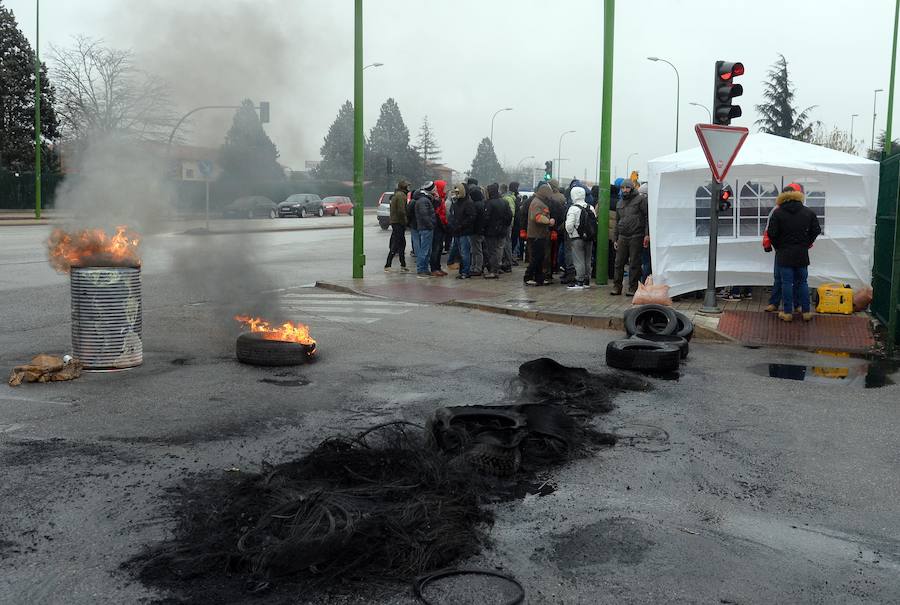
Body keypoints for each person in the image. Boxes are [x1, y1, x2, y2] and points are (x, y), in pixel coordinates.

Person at [767, 183, 821, 321]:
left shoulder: (778, 213)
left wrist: (778, 246)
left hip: (784, 253)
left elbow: (771, 233)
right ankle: (806, 311)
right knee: (803, 282)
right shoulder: (808, 212)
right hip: (802, 253)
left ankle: (787, 312)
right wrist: (807, 242)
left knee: (786, 283)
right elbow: (816, 230)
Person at [611, 179, 648, 296]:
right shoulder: (619, 203)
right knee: (618, 263)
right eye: (622, 188)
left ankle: (633, 288)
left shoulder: (640, 200)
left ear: (632, 188)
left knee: (634, 263)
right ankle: (617, 287)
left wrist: (647, 234)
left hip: (636, 235)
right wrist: (615, 238)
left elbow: (647, 217)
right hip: (622, 236)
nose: (624, 190)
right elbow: (617, 222)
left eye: (627, 188)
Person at [564, 185, 596, 290]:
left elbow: (569, 225)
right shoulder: (590, 207)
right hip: (589, 237)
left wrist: (571, 233)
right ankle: (587, 280)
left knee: (578, 260)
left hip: (577, 238)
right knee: (587, 259)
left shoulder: (573, 208)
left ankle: (579, 281)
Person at [524, 183, 556, 286]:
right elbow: (537, 217)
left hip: (540, 234)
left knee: (540, 257)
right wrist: (548, 221)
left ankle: (539, 278)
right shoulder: (537, 203)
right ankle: (528, 277)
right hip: (536, 235)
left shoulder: (539, 201)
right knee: (536, 257)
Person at [484, 182, 513, 279]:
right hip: (502, 230)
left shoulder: (489, 203)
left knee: (492, 250)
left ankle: (493, 270)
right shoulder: (504, 202)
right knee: (500, 249)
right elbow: (509, 215)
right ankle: (498, 266)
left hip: (491, 231)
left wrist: (485, 228)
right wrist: (505, 225)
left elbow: (486, 218)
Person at [412, 181, 437, 278]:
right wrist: (431, 225)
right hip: (426, 228)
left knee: (427, 250)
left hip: (425, 228)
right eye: (434, 188)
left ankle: (425, 269)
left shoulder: (424, 199)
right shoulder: (423, 201)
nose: (436, 190)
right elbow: (424, 215)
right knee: (424, 250)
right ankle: (421, 270)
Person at [384, 179, 411, 272]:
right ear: (404, 187)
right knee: (397, 243)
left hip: (396, 222)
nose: (409, 188)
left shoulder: (398, 194)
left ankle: (403, 264)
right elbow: (401, 210)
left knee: (401, 243)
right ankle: (388, 265)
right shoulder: (401, 195)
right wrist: (406, 221)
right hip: (398, 222)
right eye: (408, 186)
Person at [451, 183, 476, 279]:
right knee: (461, 252)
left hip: (465, 231)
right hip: (458, 231)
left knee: (465, 252)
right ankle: (462, 270)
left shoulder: (468, 203)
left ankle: (465, 271)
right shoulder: (457, 203)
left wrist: (461, 226)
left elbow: (471, 217)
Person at [430, 180, 448, 277]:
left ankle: (438, 267)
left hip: (441, 226)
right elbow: (436, 213)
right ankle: (434, 268)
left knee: (440, 248)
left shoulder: (441, 198)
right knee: (436, 248)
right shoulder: (436, 199)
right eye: (444, 187)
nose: (445, 189)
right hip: (437, 226)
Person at [469, 186, 487, 276]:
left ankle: (477, 268)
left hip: (475, 231)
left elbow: (473, 219)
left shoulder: (475, 205)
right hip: (481, 230)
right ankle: (478, 266)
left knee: (476, 250)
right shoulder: (483, 204)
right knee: (479, 249)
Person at [500, 183, 518, 271]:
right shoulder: (507, 198)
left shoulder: (507, 199)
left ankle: (507, 262)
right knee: (506, 242)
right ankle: (507, 261)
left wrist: (507, 223)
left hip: (507, 224)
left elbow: (511, 213)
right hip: (508, 223)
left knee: (506, 243)